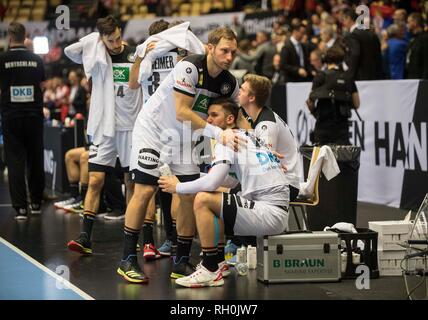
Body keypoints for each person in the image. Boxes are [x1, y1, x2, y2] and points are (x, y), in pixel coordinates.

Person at [117, 27, 245, 284]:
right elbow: (181, 111)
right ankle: (127, 258)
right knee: (144, 190)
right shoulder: (189, 67)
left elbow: (239, 117)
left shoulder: (229, 82)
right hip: (153, 131)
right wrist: (219, 135)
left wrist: (258, 141)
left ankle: (181, 261)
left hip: (185, 138)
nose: (229, 56)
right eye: (224, 50)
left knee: (187, 194)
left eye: (233, 52)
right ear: (209, 48)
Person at [158, 97, 290, 288]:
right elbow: (228, 181)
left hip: (269, 213)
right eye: (208, 115)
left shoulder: (227, 139)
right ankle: (219, 262)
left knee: (203, 199)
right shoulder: (249, 136)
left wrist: (177, 187)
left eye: (214, 115)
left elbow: (213, 181)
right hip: (274, 209)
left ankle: (210, 269)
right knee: (210, 197)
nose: (208, 121)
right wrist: (191, 182)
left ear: (229, 119)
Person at [64, 15, 143, 254]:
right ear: (102, 39)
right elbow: (69, 50)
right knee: (95, 180)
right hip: (105, 128)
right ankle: (85, 237)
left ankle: (133, 237)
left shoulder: (133, 55)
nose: (116, 43)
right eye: (110, 40)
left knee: (131, 183)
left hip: (131, 127)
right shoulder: (96, 52)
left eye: (118, 37)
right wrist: (96, 42)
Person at [0, 22, 46, 219]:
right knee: (35, 158)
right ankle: (36, 202)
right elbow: (42, 85)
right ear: (25, 35)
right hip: (34, 115)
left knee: (15, 160)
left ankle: (20, 208)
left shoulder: (2, 60)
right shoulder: (36, 59)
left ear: (10, 36)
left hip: (11, 115)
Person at [306, 46, 360, 145]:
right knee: (341, 159)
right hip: (342, 129)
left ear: (325, 60)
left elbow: (310, 101)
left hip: (323, 126)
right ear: (341, 60)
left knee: (322, 158)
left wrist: (315, 112)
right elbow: (356, 104)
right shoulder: (347, 77)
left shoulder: (321, 76)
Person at [341, 7, 384, 81]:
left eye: (344, 20)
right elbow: (378, 55)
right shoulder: (372, 33)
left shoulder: (352, 35)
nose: (343, 23)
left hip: (360, 78)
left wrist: (350, 76)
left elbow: (355, 55)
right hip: (376, 76)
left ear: (348, 18)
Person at [405, 13, 428, 79]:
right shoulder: (412, 39)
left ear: (415, 23)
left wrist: (425, 79)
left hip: (421, 77)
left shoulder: (425, 38)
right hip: (411, 76)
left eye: (409, 22)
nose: (407, 25)